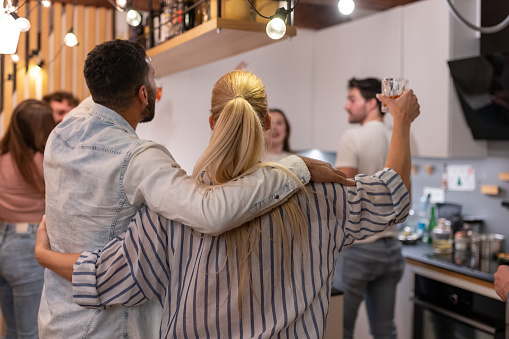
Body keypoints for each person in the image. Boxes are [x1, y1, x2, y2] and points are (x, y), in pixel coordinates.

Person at [36, 69, 420, 338]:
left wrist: (45, 255)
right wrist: (399, 121)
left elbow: (102, 278)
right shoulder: (322, 196)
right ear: (267, 122)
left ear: (210, 123)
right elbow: (394, 196)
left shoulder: (172, 212)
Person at [333, 77, 405, 339]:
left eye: (352, 100)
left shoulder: (352, 137)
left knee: (340, 329)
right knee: (385, 330)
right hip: (392, 249)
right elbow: (404, 188)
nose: (346, 106)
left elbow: (343, 194)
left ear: (373, 102)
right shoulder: (400, 134)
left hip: (359, 249)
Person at [0, 100, 56, 339]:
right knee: (32, 332)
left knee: (11, 328)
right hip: (28, 244)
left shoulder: (2, 158)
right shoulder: (46, 162)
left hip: (3, 236)